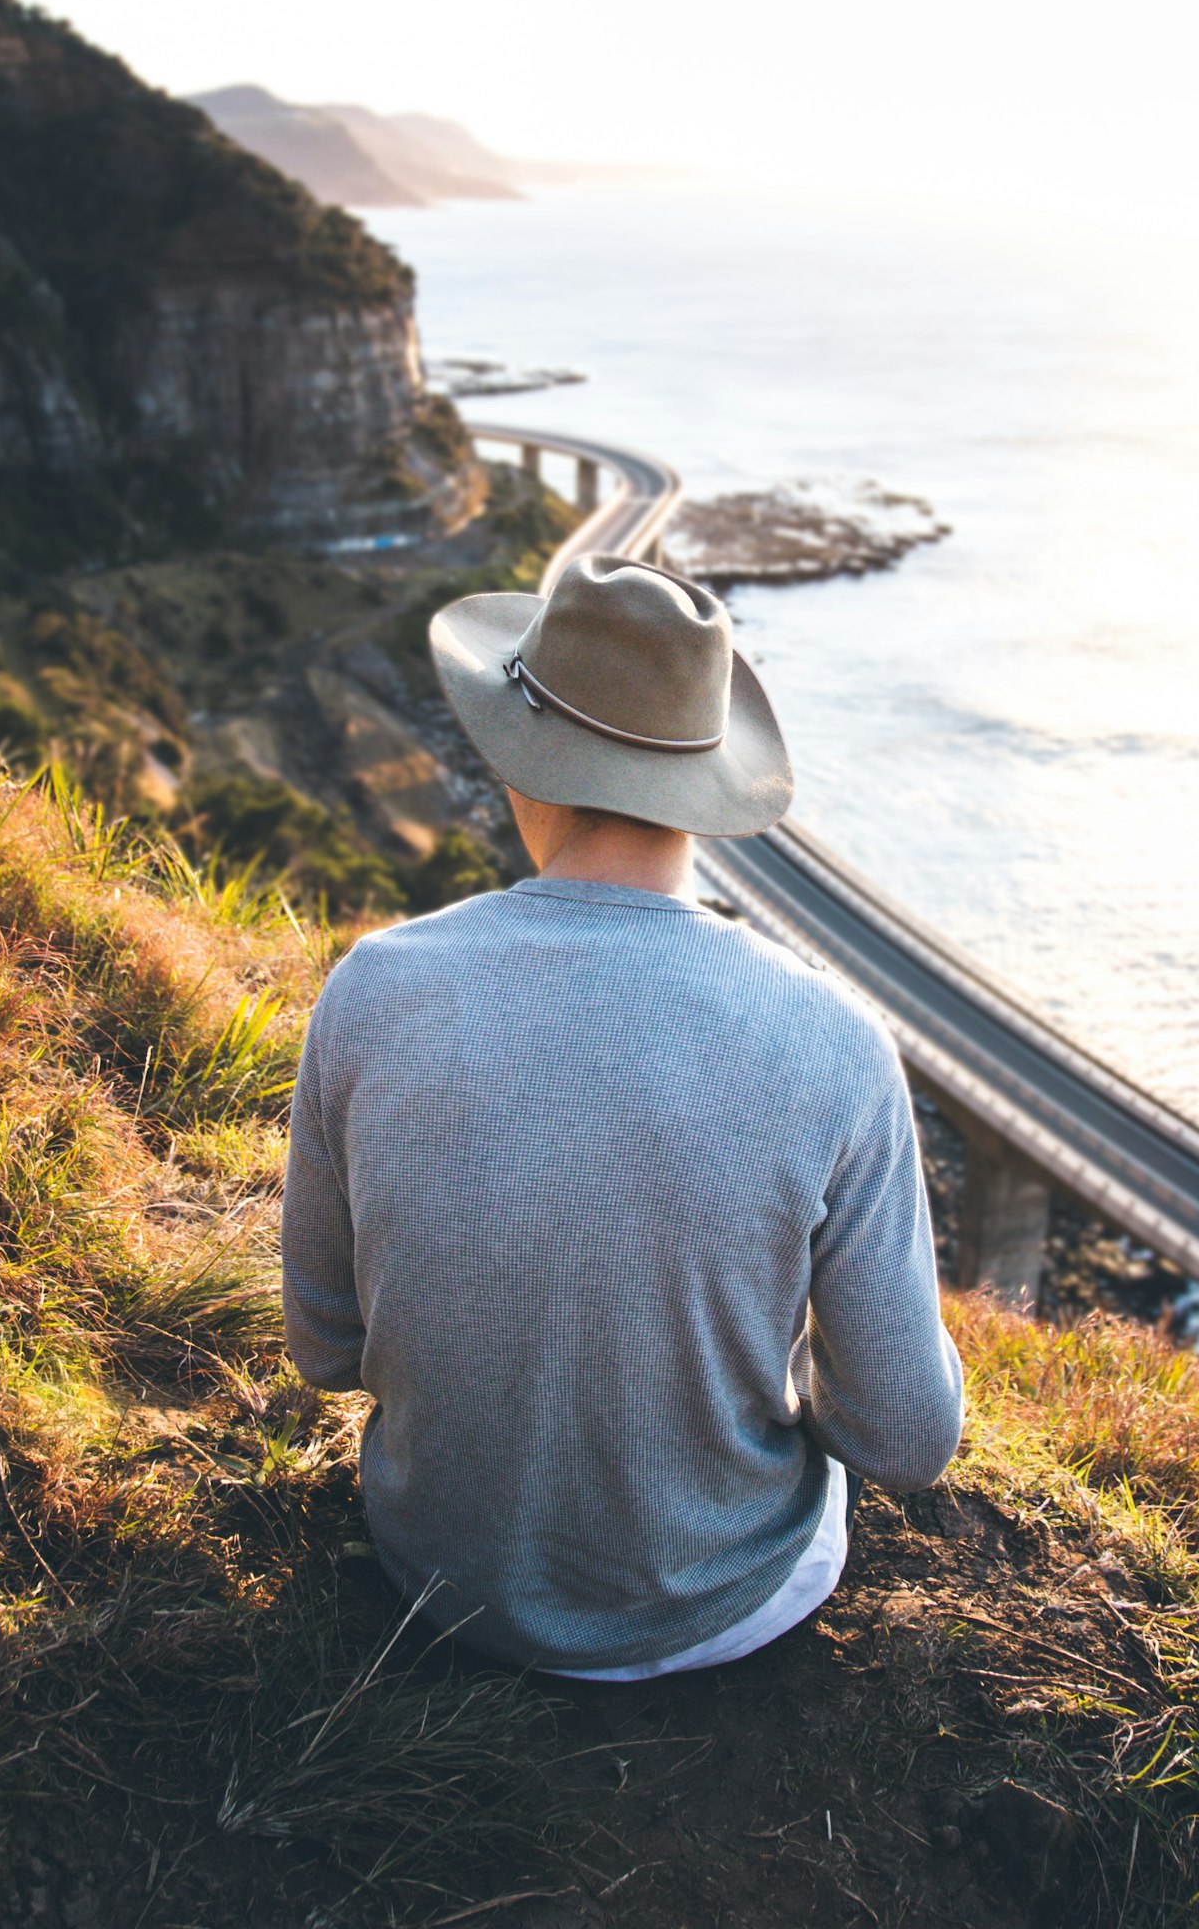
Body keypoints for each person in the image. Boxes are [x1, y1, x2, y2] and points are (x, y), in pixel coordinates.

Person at [282, 551, 964, 1677]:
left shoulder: (372, 989)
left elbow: (323, 1350)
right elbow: (904, 1438)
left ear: (519, 760)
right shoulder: (833, 1044)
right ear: (706, 782)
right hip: (727, 1603)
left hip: (438, 1578)